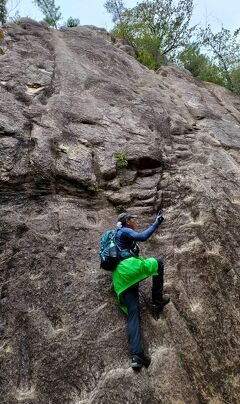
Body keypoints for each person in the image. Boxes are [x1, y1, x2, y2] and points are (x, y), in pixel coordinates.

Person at [113, 212, 170, 370]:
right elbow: (143, 236)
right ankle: (157, 298)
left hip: (120, 277)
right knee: (158, 263)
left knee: (133, 312)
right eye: (133, 219)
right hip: (130, 268)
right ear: (127, 221)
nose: (134, 222)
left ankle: (137, 356)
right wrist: (156, 223)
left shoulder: (117, 239)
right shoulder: (124, 230)